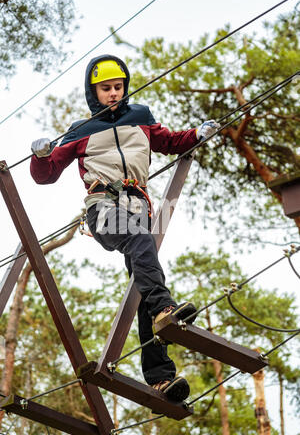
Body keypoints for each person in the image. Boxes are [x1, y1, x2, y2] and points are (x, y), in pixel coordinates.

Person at [30, 54, 219, 403]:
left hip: (139, 209)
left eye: (118, 87)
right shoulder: (80, 131)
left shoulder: (141, 118)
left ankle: (160, 378)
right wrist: (40, 155)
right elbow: (46, 175)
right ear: (94, 93)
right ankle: (166, 308)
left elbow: (171, 141)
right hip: (103, 207)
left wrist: (196, 134)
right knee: (142, 250)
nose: (114, 94)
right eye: (106, 89)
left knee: (145, 283)